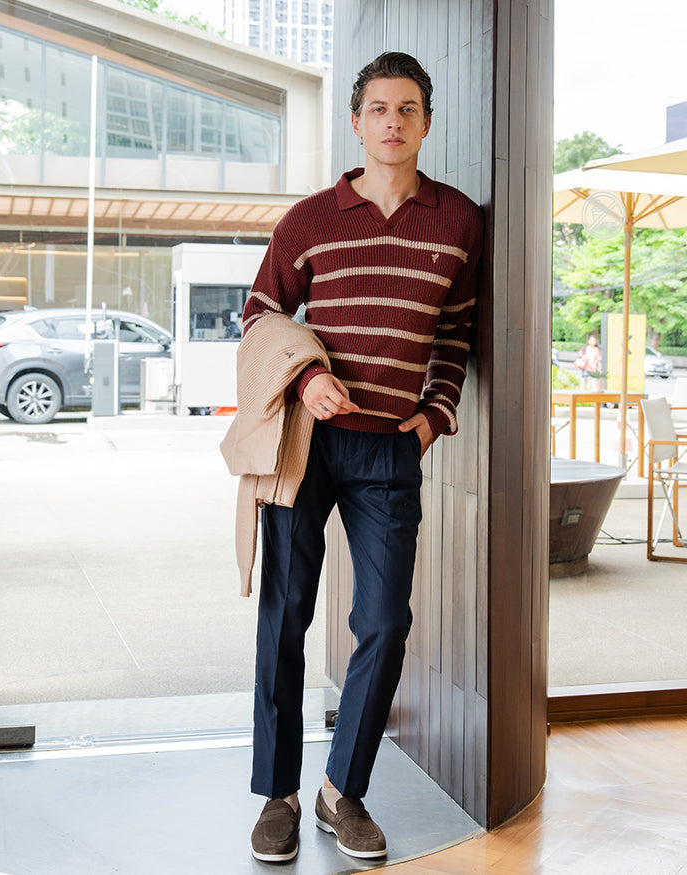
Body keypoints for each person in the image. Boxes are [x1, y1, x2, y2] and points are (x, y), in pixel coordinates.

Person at [241, 51, 483, 863]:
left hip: (391, 450)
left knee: (384, 622)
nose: (393, 122)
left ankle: (342, 792)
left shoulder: (457, 221)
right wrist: (307, 378)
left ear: (425, 123)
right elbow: (260, 313)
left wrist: (433, 416)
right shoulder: (309, 219)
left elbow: (456, 329)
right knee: (286, 617)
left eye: (408, 109)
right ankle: (275, 792)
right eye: (378, 108)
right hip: (306, 443)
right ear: (356, 121)